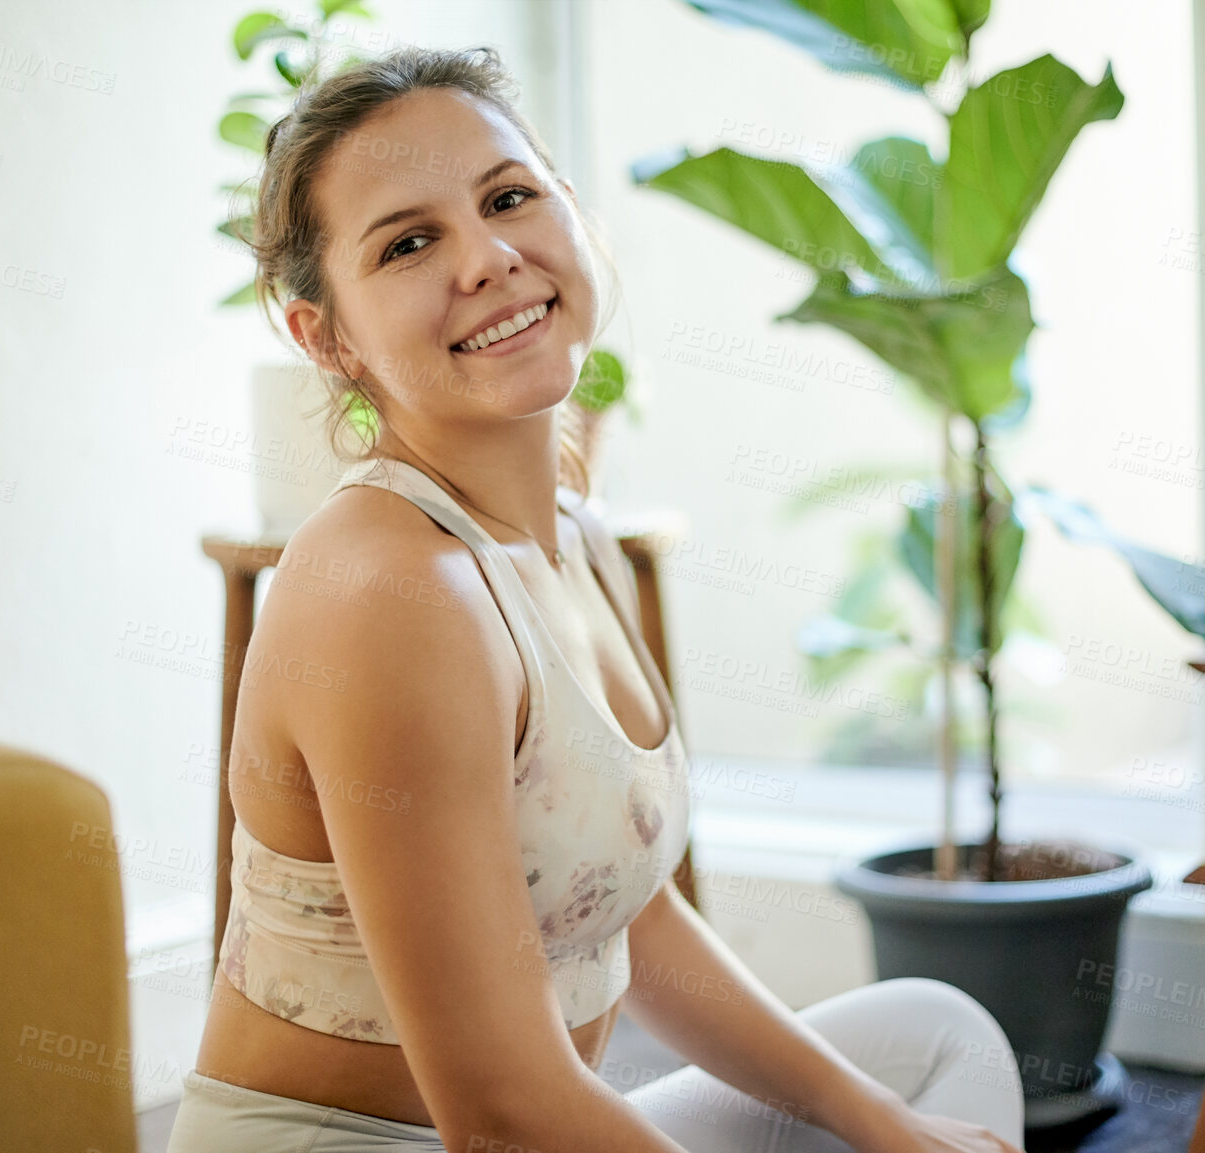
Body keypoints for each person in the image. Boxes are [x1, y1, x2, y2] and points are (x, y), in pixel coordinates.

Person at [165, 42, 1027, 1153]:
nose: (487, 258)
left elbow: (623, 908)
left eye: (507, 198)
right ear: (324, 337)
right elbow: (503, 1112)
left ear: (569, 210)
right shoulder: (388, 588)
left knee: (936, 1041)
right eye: (409, 243)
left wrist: (888, 1126)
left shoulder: (575, 536)